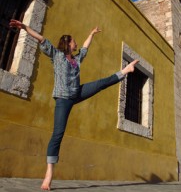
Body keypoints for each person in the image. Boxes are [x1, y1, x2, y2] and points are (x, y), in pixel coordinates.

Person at [9, 19, 139, 191]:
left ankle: (125, 70)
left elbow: (85, 47)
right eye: (74, 41)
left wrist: (92, 34)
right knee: (58, 134)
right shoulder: (56, 55)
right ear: (68, 43)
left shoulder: (76, 60)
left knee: (101, 83)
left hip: (77, 92)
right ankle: (49, 175)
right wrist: (25, 27)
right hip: (63, 99)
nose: (76, 43)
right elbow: (41, 39)